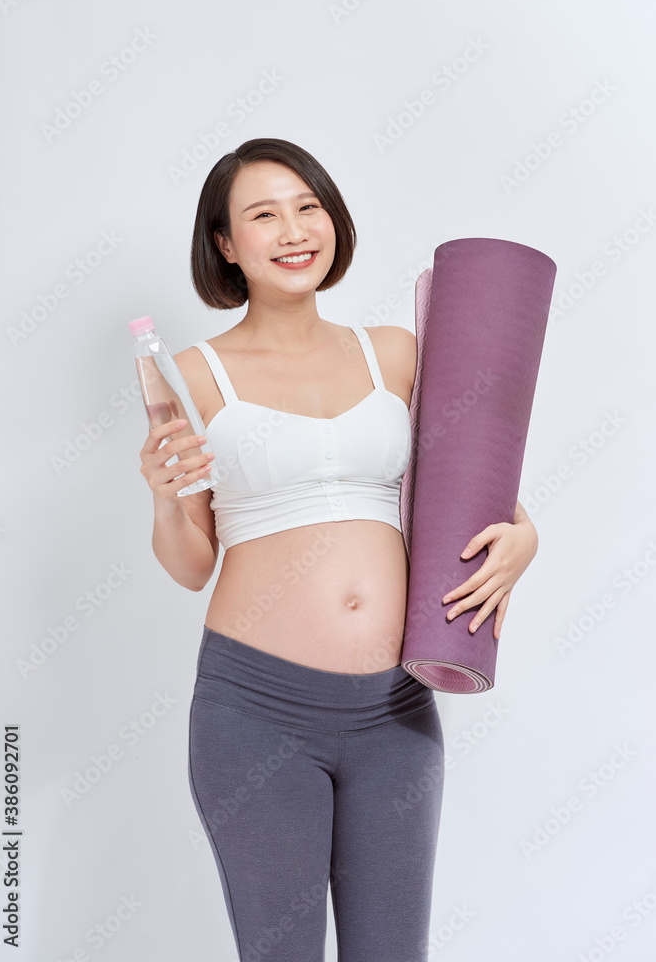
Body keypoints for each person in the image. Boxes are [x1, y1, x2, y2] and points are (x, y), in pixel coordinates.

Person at [138, 138, 538, 961]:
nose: (292, 230)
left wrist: (524, 537)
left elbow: (476, 486)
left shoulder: (392, 352)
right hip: (255, 711)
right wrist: (161, 496)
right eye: (262, 214)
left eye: (307, 206)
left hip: (395, 709)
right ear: (224, 244)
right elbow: (190, 564)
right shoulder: (192, 373)